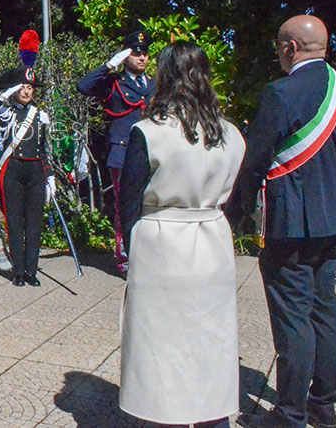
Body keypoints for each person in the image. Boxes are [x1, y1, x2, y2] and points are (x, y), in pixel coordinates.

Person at [228, 15, 336, 428]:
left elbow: (254, 160)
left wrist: (236, 214)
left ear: (290, 49)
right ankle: (323, 404)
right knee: (325, 311)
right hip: (334, 218)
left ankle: (289, 413)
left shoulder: (280, 93)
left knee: (293, 317)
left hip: (291, 222)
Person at [117, 42, 245, 428]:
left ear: (164, 76)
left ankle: (163, 417)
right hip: (212, 239)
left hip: (162, 242)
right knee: (210, 346)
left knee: (160, 350)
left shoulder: (149, 132)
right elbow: (237, 198)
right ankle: (211, 418)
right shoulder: (231, 134)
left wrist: (132, 241)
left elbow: (128, 199)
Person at [77, 30, 154, 272]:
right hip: (123, 154)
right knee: (125, 207)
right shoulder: (114, 83)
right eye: (135, 53)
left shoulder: (154, 84)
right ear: (126, 55)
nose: (142, 58)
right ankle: (126, 257)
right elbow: (83, 86)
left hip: (152, 153)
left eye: (145, 53)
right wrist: (111, 64)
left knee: (149, 207)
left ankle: (148, 255)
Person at [0, 29, 55, 287]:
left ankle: (32, 271)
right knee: (15, 221)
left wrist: (50, 177)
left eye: (30, 87)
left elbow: (46, 148)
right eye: (23, 87)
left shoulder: (41, 116)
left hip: (36, 172)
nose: (27, 91)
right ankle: (18, 272)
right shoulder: (5, 113)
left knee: (34, 223)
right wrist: (3, 97)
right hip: (13, 171)